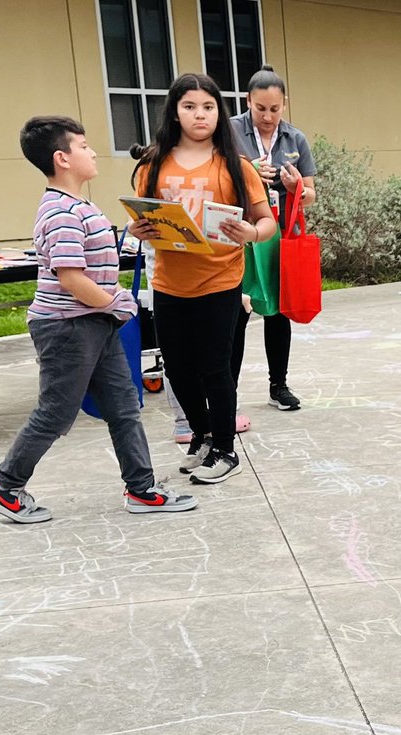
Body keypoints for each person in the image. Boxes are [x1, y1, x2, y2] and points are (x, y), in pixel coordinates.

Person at [0, 116, 196, 524]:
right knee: (56, 412)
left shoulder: (78, 205)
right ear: (61, 158)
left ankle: (142, 489)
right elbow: (71, 277)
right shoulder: (61, 211)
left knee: (124, 406)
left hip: (95, 323)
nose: (92, 151)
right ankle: (4, 485)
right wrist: (117, 304)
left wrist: (131, 234)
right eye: (83, 146)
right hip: (68, 327)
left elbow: (90, 259)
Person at [129, 74, 276, 486]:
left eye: (208, 107)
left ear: (219, 112)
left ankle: (226, 450)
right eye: (190, 106)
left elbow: (266, 223)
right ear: (175, 111)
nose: (199, 114)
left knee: (215, 369)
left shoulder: (235, 165)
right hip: (169, 282)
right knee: (177, 369)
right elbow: (143, 216)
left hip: (220, 280)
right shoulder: (153, 164)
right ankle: (203, 436)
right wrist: (140, 230)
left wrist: (251, 233)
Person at [229, 64, 317, 412]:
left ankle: (278, 384)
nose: (267, 116)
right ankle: (227, 390)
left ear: (285, 104)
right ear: (248, 101)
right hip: (238, 230)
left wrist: (297, 187)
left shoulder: (295, 138)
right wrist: (248, 170)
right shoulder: (230, 131)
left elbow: (311, 193)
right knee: (237, 310)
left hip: (278, 232)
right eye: (260, 108)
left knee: (278, 309)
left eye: (275, 109)